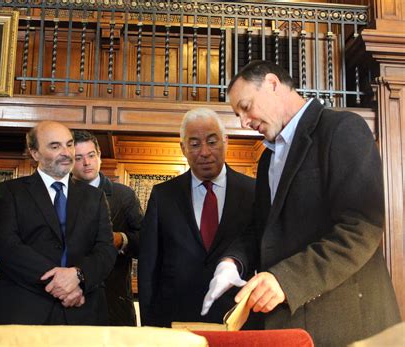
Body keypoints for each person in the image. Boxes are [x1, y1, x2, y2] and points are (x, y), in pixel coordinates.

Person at [201, 61, 401, 346]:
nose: (244, 121)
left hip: (345, 327)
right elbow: (262, 229)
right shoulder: (267, 158)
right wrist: (232, 262)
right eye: (238, 114)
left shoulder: (341, 128)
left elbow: (361, 228)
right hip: (291, 327)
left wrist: (285, 280)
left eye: (246, 107)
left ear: (272, 84)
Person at [0, 121, 117, 325]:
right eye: (55, 146)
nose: (66, 152)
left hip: (82, 309)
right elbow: (7, 247)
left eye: (69, 144)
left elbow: (105, 249)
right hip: (24, 309)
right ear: (35, 152)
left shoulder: (95, 197)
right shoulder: (9, 192)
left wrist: (78, 277)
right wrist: (61, 284)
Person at [138, 108, 256, 327]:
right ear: (183, 148)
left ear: (226, 141)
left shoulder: (253, 192)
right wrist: (149, 325)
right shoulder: (163, 195)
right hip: (175, 319)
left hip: (236, 318)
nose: (204, 152)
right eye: (194, 144)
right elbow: (148, 265)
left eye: (212, 142)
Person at [72, 130, 143, 326]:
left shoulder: (124, 195)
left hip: (113, 301)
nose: (87, 163)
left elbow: (145, 242)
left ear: (99, 156)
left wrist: (120, 239)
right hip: (70, 302)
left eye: (91, 155)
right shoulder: (59, 196)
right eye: (79, 158)